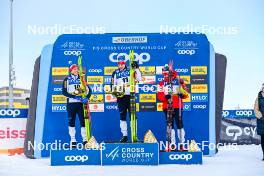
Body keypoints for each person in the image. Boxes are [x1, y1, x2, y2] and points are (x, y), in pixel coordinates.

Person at [157, 64, 189, 151]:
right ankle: (172, 145)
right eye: (164, 74)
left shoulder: (178, 81)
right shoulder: (161, 83)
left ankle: (182, 144)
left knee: (179, 124)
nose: (165, 75)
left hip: (177, 105)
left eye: (167, 73)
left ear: (170, 72)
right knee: (169, 125)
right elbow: (159, 96)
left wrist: (182, 94)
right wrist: (165, 97)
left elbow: (186, 94)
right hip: (167, 106)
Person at [111, 55, 142, 142]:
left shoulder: (130, 70)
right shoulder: (115, 73)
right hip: (121, 97)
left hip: (131, 95)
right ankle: (124, 135)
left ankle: (134, 135)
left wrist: (136, 68)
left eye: (122, 63)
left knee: (133, 116)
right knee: (122, 116)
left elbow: (139, 78)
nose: (120, 65)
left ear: (125, 63)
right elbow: (112, 85)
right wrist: (115, 93)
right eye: (119, 63)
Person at [62, 64, 92, 147]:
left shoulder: (82, 79)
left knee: (83, 122)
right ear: (71, 71)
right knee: (71, 121)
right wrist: (74, 96)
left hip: (81, 104)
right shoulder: (66, 80)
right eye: (74, 69)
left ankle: (85, 140)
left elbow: (89, 90)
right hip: (71, 104)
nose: (76, 71)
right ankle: (73, 140)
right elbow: (64, 92)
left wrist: (87, 97)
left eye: (77, 69)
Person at [254, 83, 264, 161]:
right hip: (262, 121)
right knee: (263, 140)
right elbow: (256, 109)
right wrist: (261, 117)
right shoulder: (258, 98)